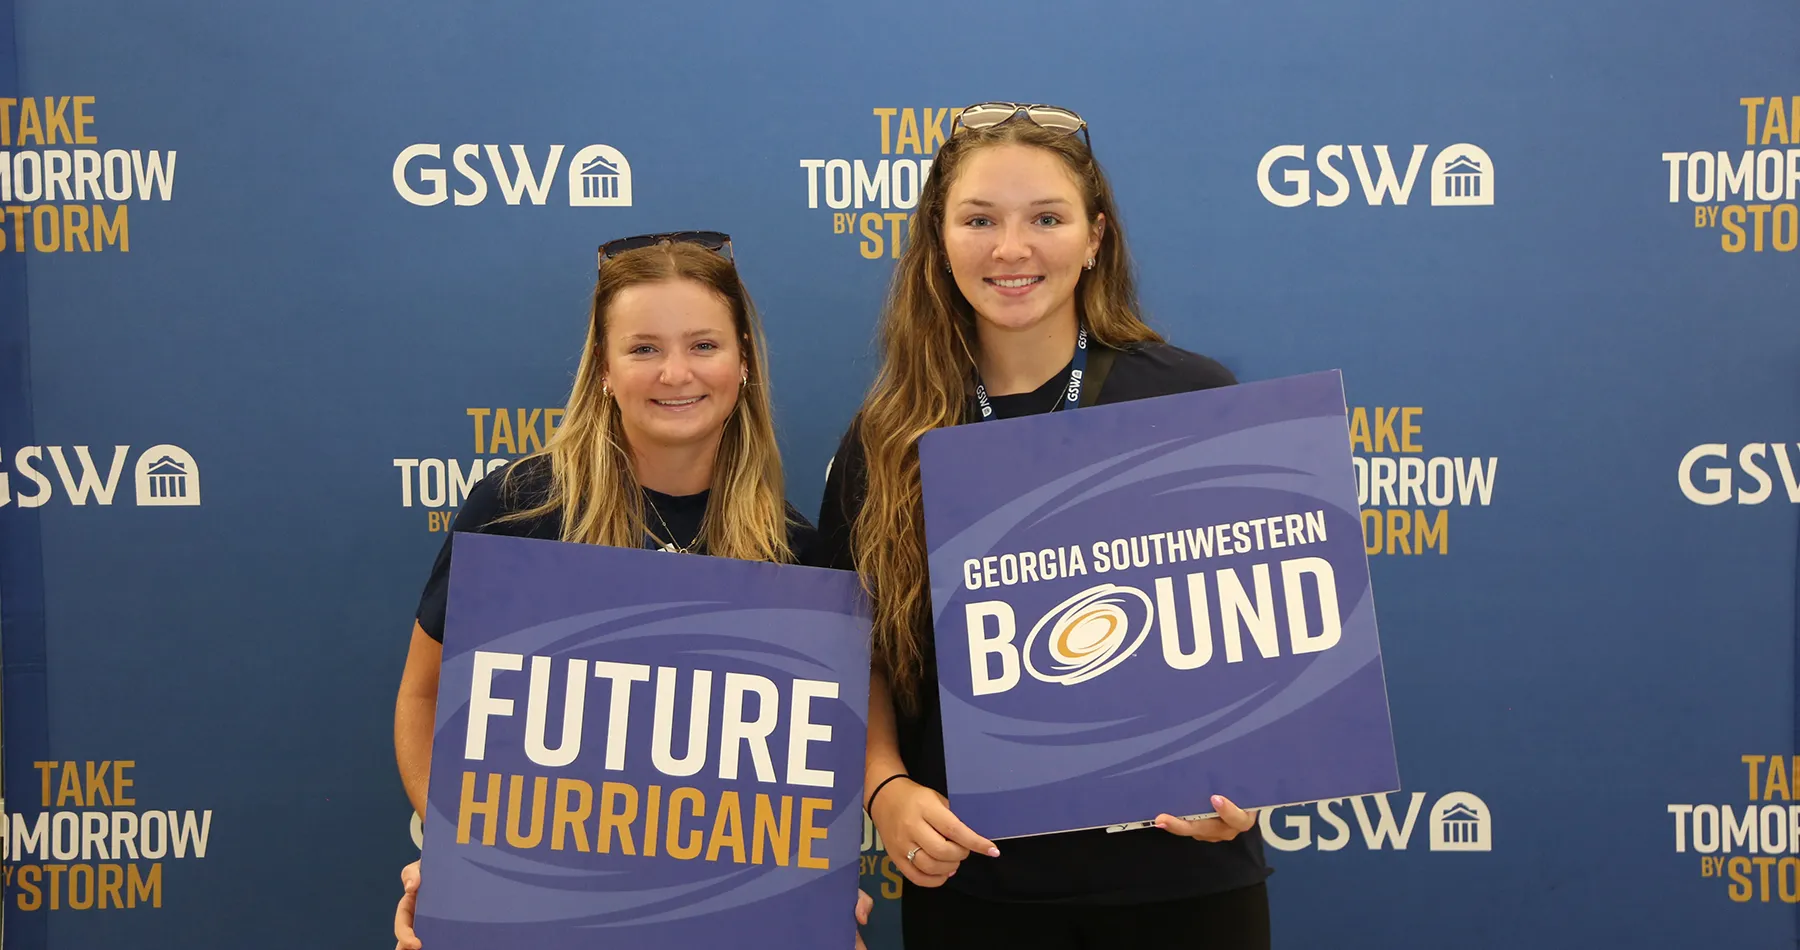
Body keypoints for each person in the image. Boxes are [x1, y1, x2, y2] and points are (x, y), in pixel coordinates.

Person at [815, 103, 1273, 949]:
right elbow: (855, 648)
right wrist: (884, 788)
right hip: (980, 885)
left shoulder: (1191, 400)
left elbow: (1257, 629)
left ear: (1096, 238)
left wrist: (1250, 780)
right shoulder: (888, 437)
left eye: (1047, 219)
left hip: (1181, 882)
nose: (1012, 249)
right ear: (938, 240)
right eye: (980, 219)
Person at [388, 231, 869, 949]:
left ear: (743, 363)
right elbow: (424, 699)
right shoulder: (516, 511)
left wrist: (808, 901)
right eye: (644, 349)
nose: (676, 372)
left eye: (703, 346)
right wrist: (466, 861)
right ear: (605, 370)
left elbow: (796, 795)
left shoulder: (795, 560)